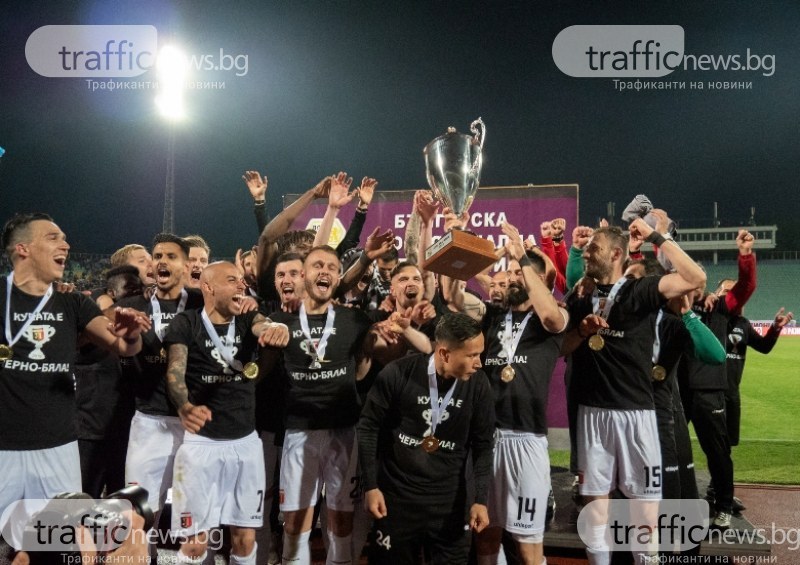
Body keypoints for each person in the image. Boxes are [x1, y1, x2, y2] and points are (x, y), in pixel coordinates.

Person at [561, 218, 706, 565]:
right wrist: (581, 332)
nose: (586, 252)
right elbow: (562, 348)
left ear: (615, 254)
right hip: (592, 414)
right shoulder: (581, 296)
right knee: (595, 513)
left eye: (594, 248)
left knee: (645, 518)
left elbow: (695, 278)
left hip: (637, 415)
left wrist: (657, 235)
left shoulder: (640, 291)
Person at [0, 213, 148, 522]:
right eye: (53, 238)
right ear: (23, 248)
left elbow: (124, 347)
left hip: (59, 448)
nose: (65, 245)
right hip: (4, 448)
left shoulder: (73, 302)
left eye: (65, 239)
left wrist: (131, 333)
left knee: (58, 539)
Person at [164, 261, 289, 565]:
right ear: (208, 287)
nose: (241, 285)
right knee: (195, 542)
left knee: (245, 540)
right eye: (232, 280)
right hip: (201, 445)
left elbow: (263, 325)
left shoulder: (247, 317)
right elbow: (175, 371)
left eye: (241, 280)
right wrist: (184, 405)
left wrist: (276, 328)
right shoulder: (186, 322)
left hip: (245, 444)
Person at [264, 245, 375, 565]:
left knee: (341, 519)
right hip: (299, 431)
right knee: (295, 522)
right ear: (303, 275)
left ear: (338, 277)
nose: (324, 271)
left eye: (331, 267)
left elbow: (370, 364)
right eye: (317, 265)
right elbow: (262, 369)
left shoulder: (355, 319)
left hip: (344, 429)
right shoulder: (280, 320)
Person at [465, 222, 568, 565]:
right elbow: (460, 292)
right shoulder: (495, 317)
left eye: (515, 273)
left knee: (528, 545)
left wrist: (523, 257)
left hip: (527, 441)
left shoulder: (551, 319)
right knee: (486, 535)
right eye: (508, 272)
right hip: (487, 439)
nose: (509, 278)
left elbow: (550, 314)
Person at [357, 313, 495, 564]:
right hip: (397, 502)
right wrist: (371, 486)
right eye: (472, 355)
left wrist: (480, 500)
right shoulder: (397, 373)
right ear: (444, 354)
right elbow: (368, 428)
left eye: (480, 354)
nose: (479, 363)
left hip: (449, 507)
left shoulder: (479, 385)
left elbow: (484, 445)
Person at [117, 234, 204, 531]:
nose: (162, 261)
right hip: (148, 421)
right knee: (138, 515)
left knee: (195, 516)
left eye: (171, 256)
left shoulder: (202, 303)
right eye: (157, 256)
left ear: (186, 265)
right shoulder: (132, 304)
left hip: (193, 424)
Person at [75, 265, 144, 498]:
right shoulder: (91, 315)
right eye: (130, 288)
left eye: (138, 288)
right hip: (92, 429)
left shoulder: (140, 320)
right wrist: (107, 312)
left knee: (121, 503)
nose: (135, 293)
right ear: (111, 292)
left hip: (129, 429)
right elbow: (77, 342)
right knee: (83, 501)